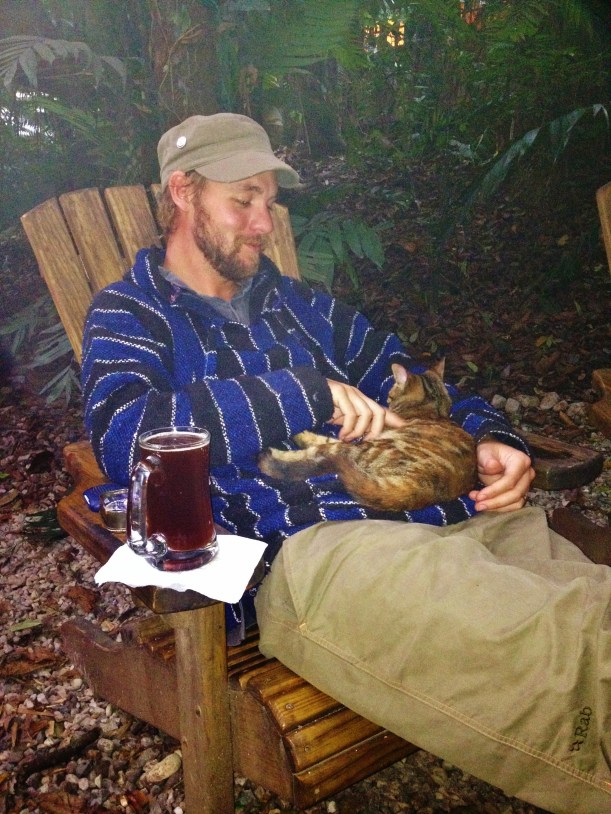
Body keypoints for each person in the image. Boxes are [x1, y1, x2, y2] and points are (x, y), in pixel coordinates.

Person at [82, 113, 611, 814]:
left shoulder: (306, 309)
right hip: (324, 547)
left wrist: (493, 438)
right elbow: (126, 436)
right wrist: (304, 392)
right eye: (243, 199)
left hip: (455, 509)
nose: (264, 223)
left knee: (594, 609)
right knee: (566, 654)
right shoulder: (131, 315)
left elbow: (421, 381)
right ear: (183, 191)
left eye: (269, 202)